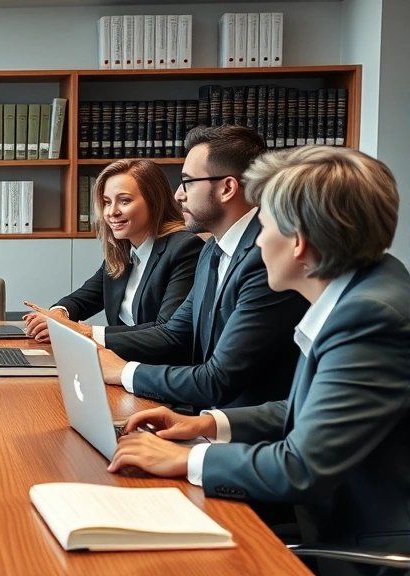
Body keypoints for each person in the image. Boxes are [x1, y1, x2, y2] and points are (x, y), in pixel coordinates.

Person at [109, 146, 410, 576]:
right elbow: (308, 409)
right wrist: (207, 425)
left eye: (264, 228)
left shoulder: (369, 318)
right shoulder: (366, 288)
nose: (256, 243)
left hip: (358, 547)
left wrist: (186, 459)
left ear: (299, 243)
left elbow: (301, 466)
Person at [95, 125, 308, 410]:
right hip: (205, 416)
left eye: (188, 182)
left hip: (245, 431)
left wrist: (122, 371)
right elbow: (174, 332)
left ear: (227, 188)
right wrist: (89, 342)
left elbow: (218, 380)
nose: (178, 196)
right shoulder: (212, 248)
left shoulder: (266, 258)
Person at [23, 159, 204, 344]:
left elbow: (166, 331)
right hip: (121, 359)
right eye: (107, 202)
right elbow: (83, 299)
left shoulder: (184, 249)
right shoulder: (124, 250)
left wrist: (83, 331)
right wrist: (57, 315)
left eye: (124, 201)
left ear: (154, 201)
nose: (111, 212)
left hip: (157, 367)